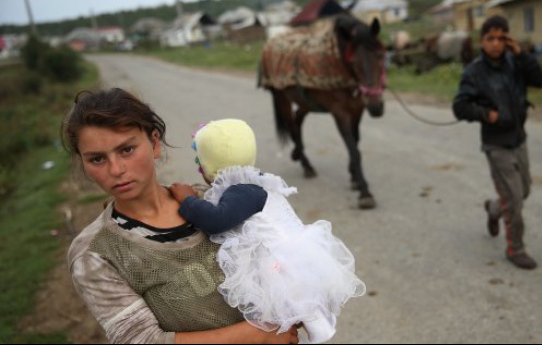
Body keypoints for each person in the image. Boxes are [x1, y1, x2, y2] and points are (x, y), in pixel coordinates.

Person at [63, 87, 300, 344]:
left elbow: (284, 259)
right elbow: (143, 340)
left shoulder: (213, 202)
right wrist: (259, 335)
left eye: (127, 150)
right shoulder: (96, 253)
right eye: (97, 159)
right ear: (84, 164)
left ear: (154, 143)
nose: (117, 169)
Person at [168, 118, 367, 344]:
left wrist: (188, 201)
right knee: (294, 303)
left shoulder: (242, 191)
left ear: (207, 166)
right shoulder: (253, 185)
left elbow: (217, 220)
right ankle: (311, 329)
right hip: (287, 255)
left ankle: (315, 331)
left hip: (281, 261)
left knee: (291, 300)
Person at [452, 15, 542, 270]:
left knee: (524, 190)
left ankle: (494, 209)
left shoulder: (515, 63)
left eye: (500, 38)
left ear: (507, 39)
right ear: (481, 41)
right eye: (490, 38)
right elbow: (459, 106)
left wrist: (522, 55)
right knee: (515, 200)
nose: (495, 44)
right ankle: (516, 248)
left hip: (519, 138)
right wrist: (485, 114)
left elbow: (541, 81)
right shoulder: (474, 72)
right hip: (496, 144)